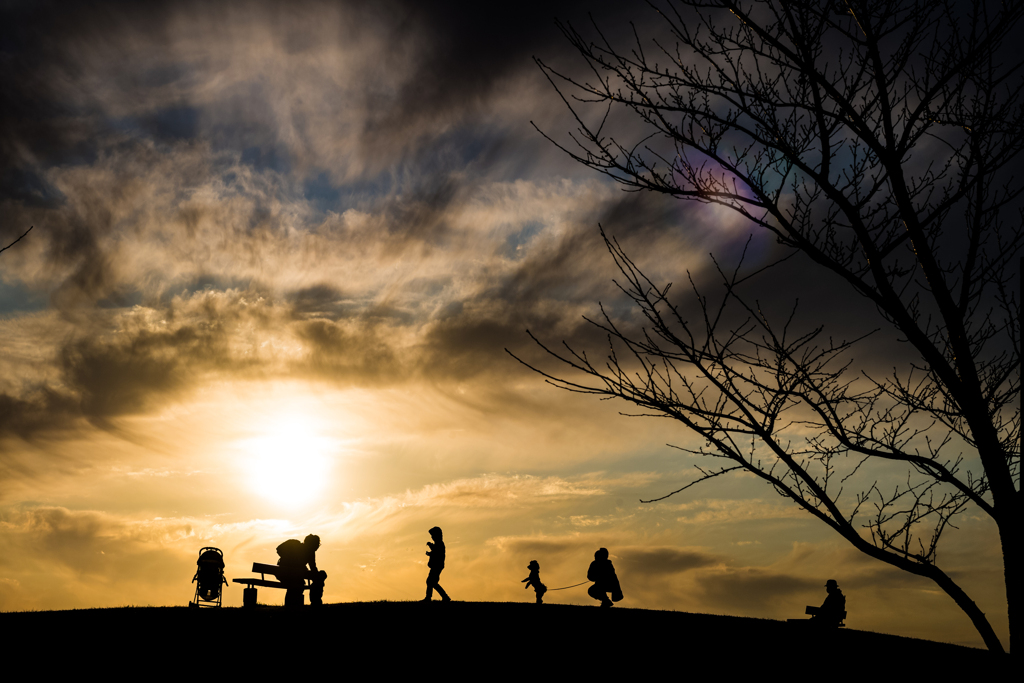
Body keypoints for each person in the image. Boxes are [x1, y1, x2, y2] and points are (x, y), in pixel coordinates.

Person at [277, 534, 321, 608]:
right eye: (316, 545)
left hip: (285, 574)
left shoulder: (308, 551)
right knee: (297, 584)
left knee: (297, 584)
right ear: (312, 544)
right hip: (286, 574)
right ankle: (292, 606)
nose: (317, 547)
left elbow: (278, 549)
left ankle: (290, 606)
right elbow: (313, 567)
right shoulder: (300, 548)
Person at [423, 526, 451, 603]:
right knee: (432, 582)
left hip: (437, 566)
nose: (432, 537)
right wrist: (430, 552)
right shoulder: (438, 544)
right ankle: (444, 597)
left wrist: (430, 546)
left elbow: (437, 552)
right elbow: (435, 551)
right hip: (436, 566)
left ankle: (429, 598)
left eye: (433, 535)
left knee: (431, 582)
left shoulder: (440, 544)